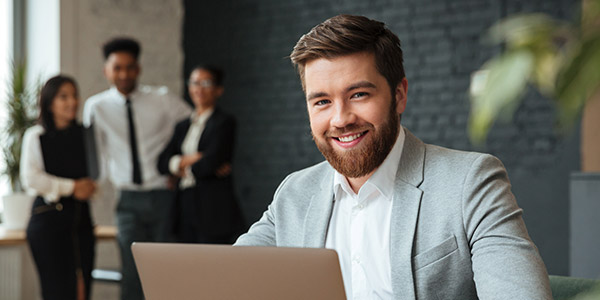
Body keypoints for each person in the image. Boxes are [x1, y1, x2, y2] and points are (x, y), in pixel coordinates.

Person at [235, 14, 553, 299]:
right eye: (321, 102)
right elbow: (224, 277)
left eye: (359, 95)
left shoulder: (470, 183)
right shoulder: (294, 193)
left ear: (399, 95)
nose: (340, 118)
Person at [82, 37, 192, 300]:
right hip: (127, 200)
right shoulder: (96, 107)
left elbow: (195, 124)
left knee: (165, 271)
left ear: (138, 69)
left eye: (130, 67)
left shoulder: (162, 99)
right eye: (117, 68)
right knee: (131, 275)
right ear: (106, 70)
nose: (124, 74)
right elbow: (92, 154)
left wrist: (178, 165)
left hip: (162, 195)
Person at [21, 75, 96, 300]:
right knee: (57, 291)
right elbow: (30, 179)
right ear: (49, 102)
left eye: (74, 96)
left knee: (82, 289)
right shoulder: (36, 135)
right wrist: (71, 187)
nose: (71, 102)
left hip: (81, 220)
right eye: (64, 97)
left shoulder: (84, 135)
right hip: (48, 222)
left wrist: (90, 187)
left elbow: (95, 174)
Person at [158, 65, 244, 244]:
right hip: (184, 205)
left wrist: (180, 169)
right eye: (195, 83)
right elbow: (161, 163)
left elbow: (210, 163)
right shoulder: (182, 126)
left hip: (213, 208)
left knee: (212, 264)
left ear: (218, 90)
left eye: (206, 83)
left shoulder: (224, 122)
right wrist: (190, 160)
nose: (199, 88)